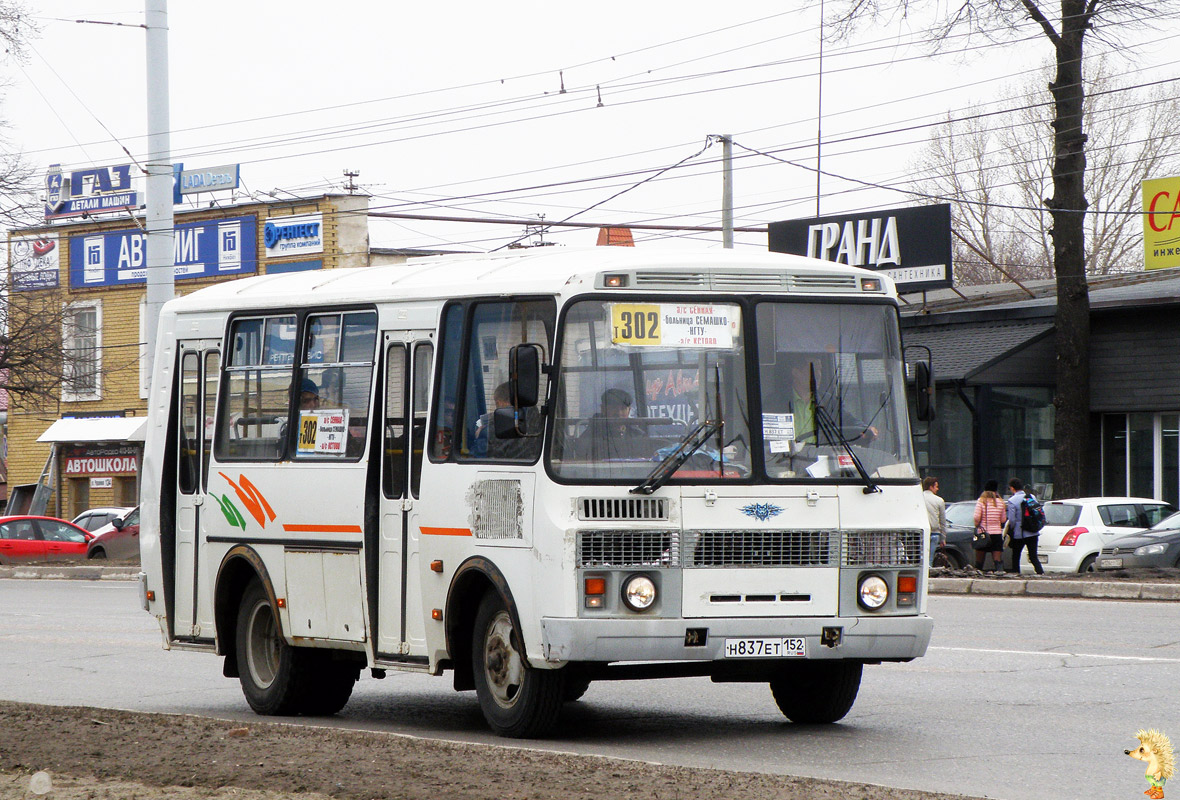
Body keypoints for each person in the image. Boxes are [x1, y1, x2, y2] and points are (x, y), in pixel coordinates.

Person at [785, 355, 877, 444]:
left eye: (819, 370)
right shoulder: (775, 403)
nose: (818, 375)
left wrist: (865, 428)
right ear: (795, 372)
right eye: (813, 370)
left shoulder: (829, 402)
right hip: (787, 458)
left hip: (821, 457)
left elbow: (848, 421)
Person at [577, 388, 652, 460]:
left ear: (629, 410)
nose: (619, 413)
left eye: (622, 409)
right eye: (613, 408)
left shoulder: (638, 435)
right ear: (603, 409)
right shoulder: (591, 435)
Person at [1005, 477, 1045, 575]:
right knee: (1033, 556)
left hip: (1020, 533)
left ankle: (1016, 573)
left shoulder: (1012, 501)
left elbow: (1012, 520)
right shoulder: (1031, 497)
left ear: (1012, 488)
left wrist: (1012, 529)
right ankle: (1040, 573)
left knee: (1016, 555)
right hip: (1033, 530)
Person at [973, 479, 1007, 572]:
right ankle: (999, 572)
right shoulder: (1000, 502)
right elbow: (1003, 519)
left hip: (983, 533)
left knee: (979, 560)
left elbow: (976, 517)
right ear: (996, 490)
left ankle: (978, 573)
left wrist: (976, 525)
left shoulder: (981, 501)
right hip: (996, 533)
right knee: (997, 559)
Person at [472, 383, 512, 457]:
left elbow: (478, 458)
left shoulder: (489, 430)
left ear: (498, 403)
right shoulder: (532, 421)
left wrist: (479, 436)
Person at [922, 476, 946, 564]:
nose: (937, 489)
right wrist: (943, 538)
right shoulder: (939, 501)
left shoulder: (918, 498)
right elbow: (942, 521)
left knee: (921, 557)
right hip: (935, 532)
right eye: (936, 486)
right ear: (931, 487)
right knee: (930, 558)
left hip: (921, 533)